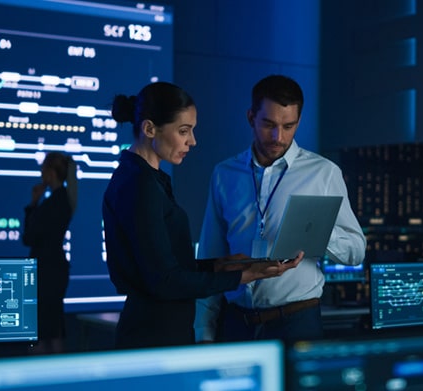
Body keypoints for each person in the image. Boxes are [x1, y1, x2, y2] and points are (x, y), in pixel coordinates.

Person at [103, 81, 302, 349]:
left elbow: (165, 266)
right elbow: (165, 281)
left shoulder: (147, 179)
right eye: (184, 131)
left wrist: (223, 265)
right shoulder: (139, 185)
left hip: (161, 331)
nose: (192, 141)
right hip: (153, 337)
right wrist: (242, 277)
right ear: (149, 128)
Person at [194, 74, 366, 343]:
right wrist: (203, 331)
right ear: (251, 117)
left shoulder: (323, 173)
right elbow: (211, 255)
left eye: (289, 126)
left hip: (298, 322)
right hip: (236, 323)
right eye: (268, 124)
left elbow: (356, 251)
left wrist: (317, 233)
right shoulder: (224, 174)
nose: (278, 136)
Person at [22, 151, 77, 354]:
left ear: (51, 172)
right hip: (52, 268)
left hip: (47, 269)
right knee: (51, 325)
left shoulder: (55, 202)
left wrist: (32, 205)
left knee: (45, 327)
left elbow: (28, 238)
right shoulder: (62, 200)